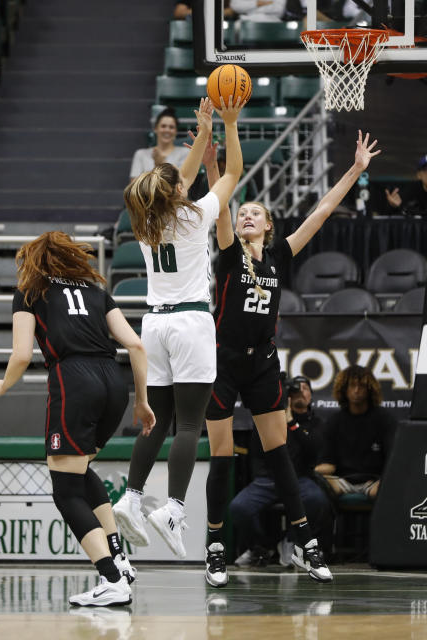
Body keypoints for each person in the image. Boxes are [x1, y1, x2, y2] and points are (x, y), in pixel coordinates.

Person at [201, 129, 380, 586]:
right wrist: (210, 161)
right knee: (221, 457)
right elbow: (220, 203)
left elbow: (321, 212)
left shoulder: (280, 252)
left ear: (269, 226)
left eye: (254, 213)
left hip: (262, 361)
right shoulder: (226, 252)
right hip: (222, 360)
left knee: (279, 455)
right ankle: (215, 547)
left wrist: (356, 170)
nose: (245, 216)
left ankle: (305, 541)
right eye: (243, 213)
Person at [0, 231, 155, 607]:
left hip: (74, 380)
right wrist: (142, 401)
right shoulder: (96, 291)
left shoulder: (29, 293)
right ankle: (119, 559)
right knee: (79, 469)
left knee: (65, 489)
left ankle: (111, 580)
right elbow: (136, 345)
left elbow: (22, 355)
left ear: (35, 261)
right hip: (114, 382)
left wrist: (4, 385)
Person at [112, 96, 243, 559]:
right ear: (177, 193)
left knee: (157, 418)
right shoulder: (194, 216)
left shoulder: (144, 221)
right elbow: (231, 176)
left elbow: (177, 179)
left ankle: (130, 497)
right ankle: (173, 507)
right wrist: (225, 125)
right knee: (190, 424)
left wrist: (203, 132)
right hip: (189, 321)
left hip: (152, 326)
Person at [229, 375, 332, 568]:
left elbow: (314, 448)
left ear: (311, 395)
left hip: (300, 478)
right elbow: (256, 453)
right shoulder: (270, 419)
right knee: (239, 507)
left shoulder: (316, 422)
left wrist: (291, 422)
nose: (301, 392)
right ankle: (259, 547)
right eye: (295, 389)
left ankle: (292, 540)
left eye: (305, 388)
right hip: (268, 480)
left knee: (317, 500)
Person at [315, 365, 396, 500]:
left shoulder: (384, 419)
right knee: (315, 488)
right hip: (341, 481)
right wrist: (312, 473)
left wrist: (385, 480)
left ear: (370, 389)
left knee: (390, 487)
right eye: (352, 386)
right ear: (344, 389)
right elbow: (327, 464)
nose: (356, 391)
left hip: (375, 481)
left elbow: (393, 460)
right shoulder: (334, 421)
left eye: (361, 386)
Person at [129, 108, 190, 184]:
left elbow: (182, 184)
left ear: (176, 131)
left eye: (171, 127)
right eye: (163, 126)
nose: (167, 130)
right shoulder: (141, 154)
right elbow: (134, 186)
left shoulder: (185, 153)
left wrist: (161, 164)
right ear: (155, 129)